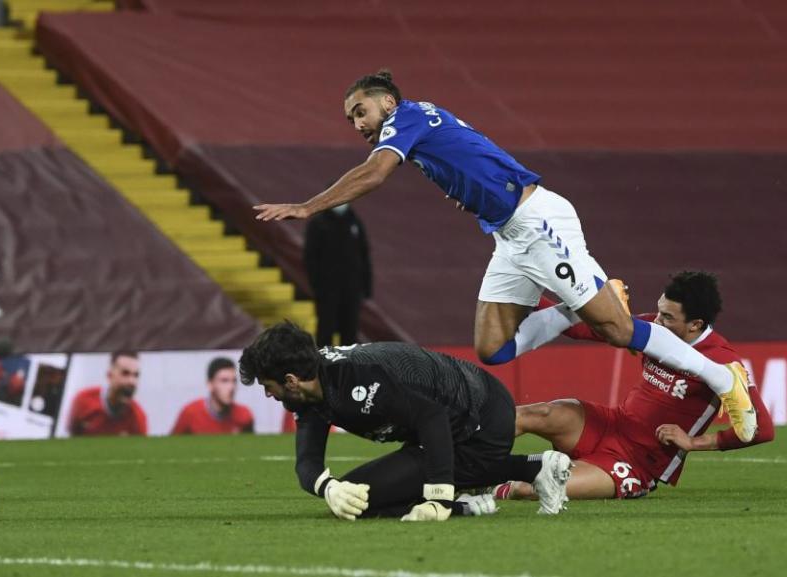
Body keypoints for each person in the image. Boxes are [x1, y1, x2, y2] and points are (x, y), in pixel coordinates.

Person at [253, 69, 756, 443]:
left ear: (386, 101)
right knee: (493, 348)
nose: (356, 124)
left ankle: (720, 377)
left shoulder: (404, 119)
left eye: (360, 112)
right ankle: (569, 307)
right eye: (351, 119)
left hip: (538, 224)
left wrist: (308, 206)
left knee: (617, 330)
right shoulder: (423, 123)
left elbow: (376, 171)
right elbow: (472, 154)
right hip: (510, 237)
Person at [238, 321, 573, 522]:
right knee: (355, 496)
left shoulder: (357, 382)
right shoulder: (314, 390)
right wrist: (329, 487)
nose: (270, 396)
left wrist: (440, 499)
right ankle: (533, 468)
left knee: (369, 501)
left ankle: (464, 504)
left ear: (291, 380)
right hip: (460, 417)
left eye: (269, 387)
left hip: (482, 418)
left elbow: (432, 416)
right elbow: (307, 462)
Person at [496, 271, 774, 500]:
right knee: (532, 414)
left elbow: (762, 429)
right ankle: (464, 466)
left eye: (668, 317)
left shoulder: (721, 361)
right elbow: (580, 328)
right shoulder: (656, 328)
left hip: (637, 462)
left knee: (532, 488)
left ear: (695, 325)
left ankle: (491, 481)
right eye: (659, 310)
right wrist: (523, 290)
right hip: (610, 425)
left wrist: (694, 442)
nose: (656, 320)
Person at [304, 202, 372, 346]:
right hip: (327, 288)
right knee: (325, 329)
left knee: (350, 330)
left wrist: (366, 286)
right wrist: (316, 285)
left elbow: (364, 254)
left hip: (352, 288)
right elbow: (310, 257)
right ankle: (324, 366)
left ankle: (348, 366)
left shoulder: (354, 221)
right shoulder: (318, 224)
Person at [68, 351, 147, 436]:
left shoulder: (138, 418)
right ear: (109, 375)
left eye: (136, 375)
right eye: (125, 373)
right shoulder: (83, 401)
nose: (132, 382)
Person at [171, 357, 254, 435]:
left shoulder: (244, 416)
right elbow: (171, 446)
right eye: (224, 381)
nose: (231, 387)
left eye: (234, 381)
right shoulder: (191, 413)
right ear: (210, 384)